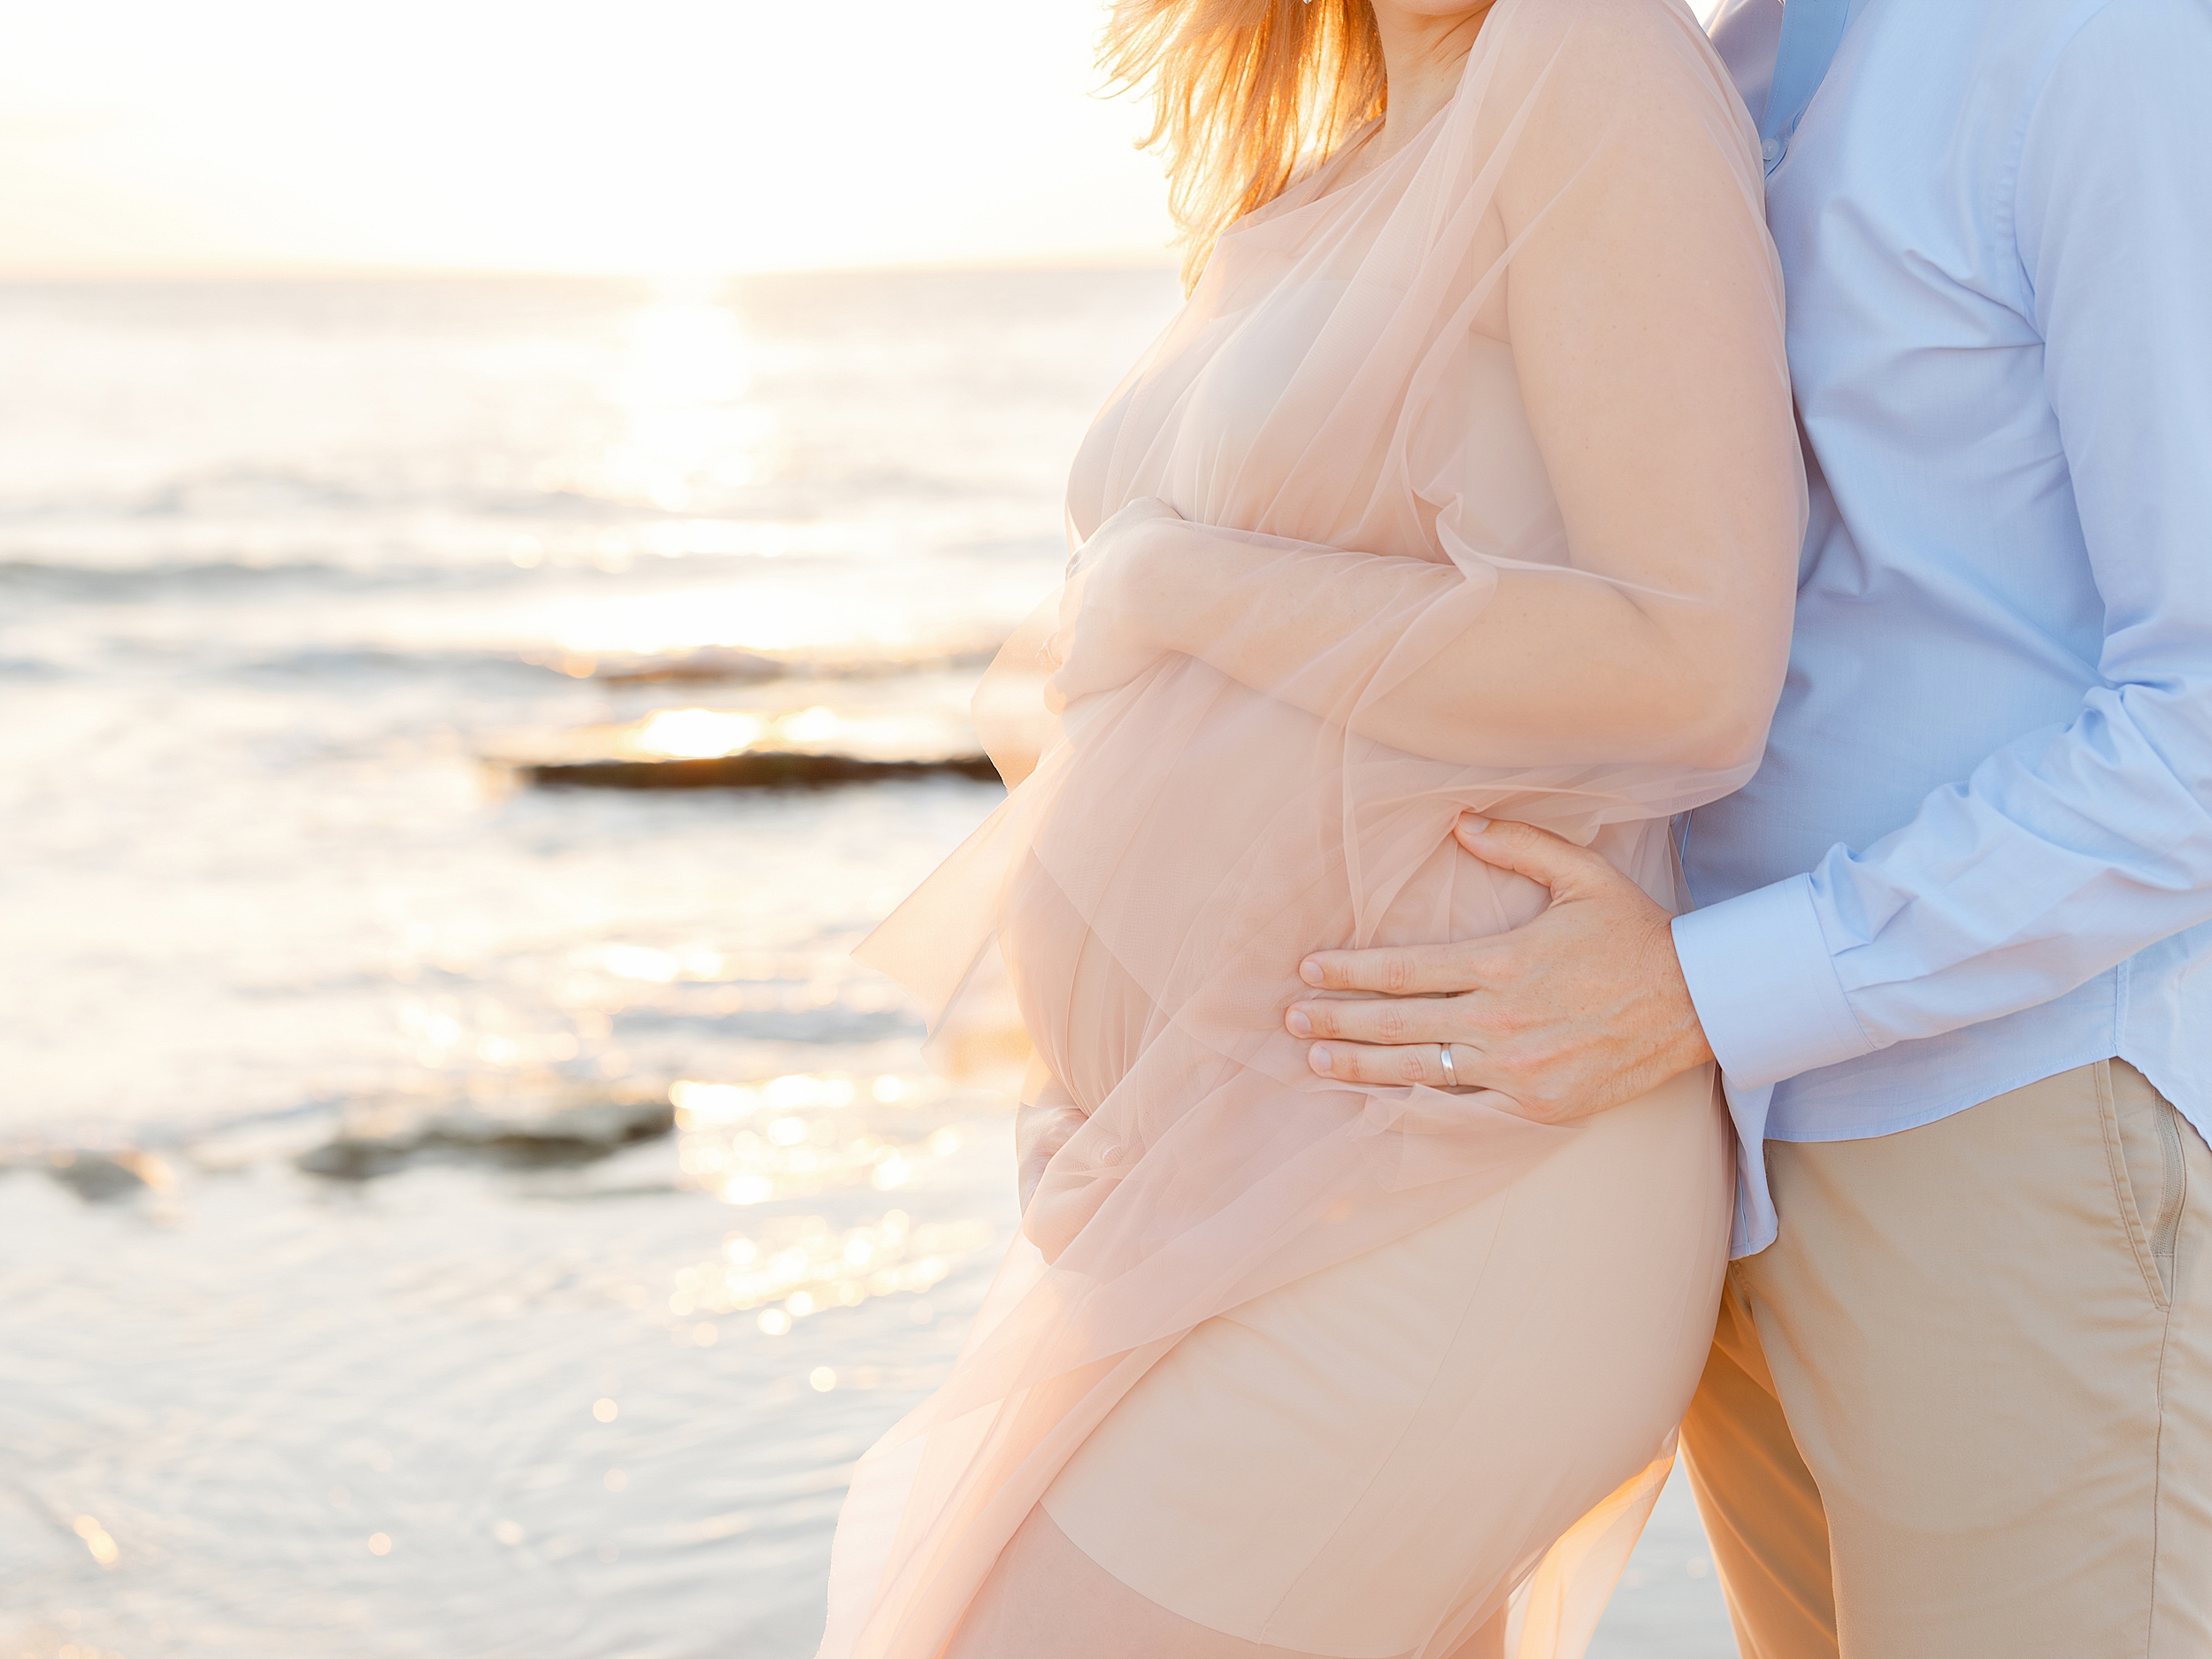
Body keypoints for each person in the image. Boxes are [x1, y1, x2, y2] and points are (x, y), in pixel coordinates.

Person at [815, 1, 1805, 1655]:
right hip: (1227, 1170)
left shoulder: (1583, 51)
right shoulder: (1333, 141)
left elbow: (1688, 659)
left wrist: (1164, 578)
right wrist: (1105, 1093)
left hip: (1451, 1177)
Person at [1280, 0, 2212, 1652]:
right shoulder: (1714, 58)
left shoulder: (2108, 42)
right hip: (1721, 1134)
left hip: (2022, 1123)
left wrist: (1710, 992)